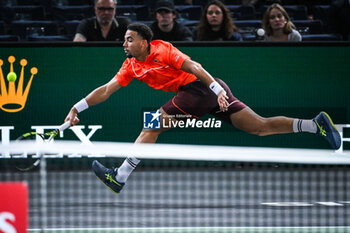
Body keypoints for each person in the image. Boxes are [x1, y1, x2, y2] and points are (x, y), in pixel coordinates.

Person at [65, 23, 340, 194]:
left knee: (151, 125)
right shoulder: (131, 66)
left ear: (144, 42)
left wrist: (217, 90)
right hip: (203, 93)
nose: (123, 43)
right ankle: (314, 124)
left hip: (200, 88)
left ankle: (120, 177)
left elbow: (194, 67)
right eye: (124, 39)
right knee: (259, 126)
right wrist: (77, 107)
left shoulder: (162, 50)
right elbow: (105, 90)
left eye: (129, 39)